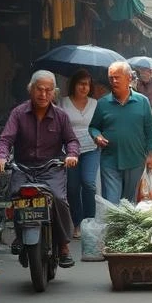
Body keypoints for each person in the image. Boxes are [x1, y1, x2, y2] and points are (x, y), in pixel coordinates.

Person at [0, 70, 80, 268]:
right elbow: (6, 139)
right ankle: (20, 234)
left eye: (48, 90)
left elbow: (71, 141)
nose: (43, 94)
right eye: (39, 89)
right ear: (30, 89)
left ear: (54, 93)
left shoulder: (60, 116)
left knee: (58, 199)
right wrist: (1, 157)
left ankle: (63, 245)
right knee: (16, 196)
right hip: (23, 168)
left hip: (51, 168)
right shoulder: (18, 113)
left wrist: (72, 155)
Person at [89, 61, 152, 204]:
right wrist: (97, 136)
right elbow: (93, 127)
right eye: (111, 78)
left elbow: (151, 129)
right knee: (112, 204)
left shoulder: (142, 102)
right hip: (110, 160)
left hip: (135, 160)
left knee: (130, 204)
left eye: (117, 77)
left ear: (128, 78)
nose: (114, 81)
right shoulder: (102, 103)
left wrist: (151, 155)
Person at [57, 69, 100, 239]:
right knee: (72, 187)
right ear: (74, 85)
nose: (84, 88)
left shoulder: (95, 104)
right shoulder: (63, 102)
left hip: (91, 148)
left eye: (87, 85)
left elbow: (100, 124)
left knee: (89, 183)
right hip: (69, 151)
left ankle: (90, 222)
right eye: (81, 84)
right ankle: (78, 223)